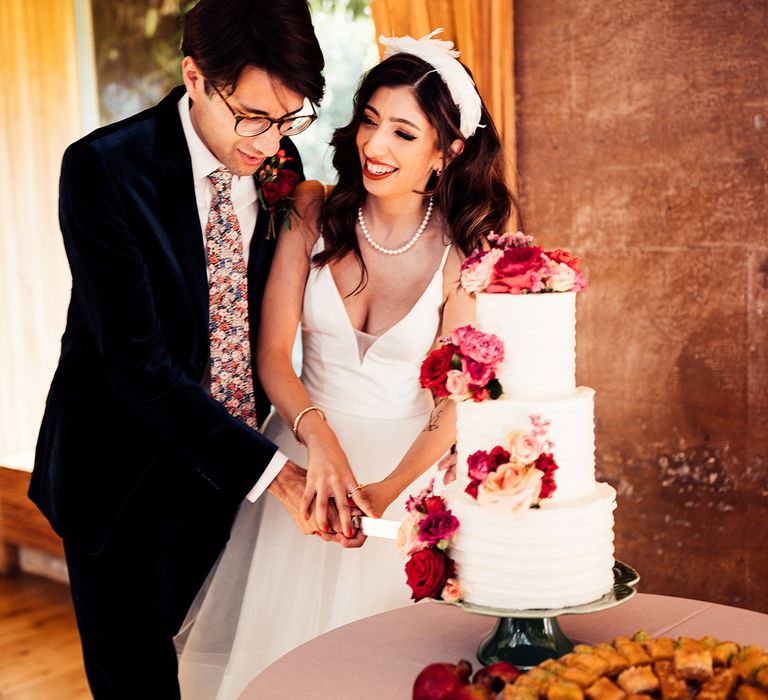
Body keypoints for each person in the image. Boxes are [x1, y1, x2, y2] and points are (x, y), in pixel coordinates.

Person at [27, 2, 359, 698]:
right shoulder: (102, 171)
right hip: (119, 479)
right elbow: (139, 369)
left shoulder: (279, 160)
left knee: (219, 676)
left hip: (227, 481)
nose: (269, 143)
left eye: (288, 118)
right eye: (252, 117)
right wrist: (280, 476)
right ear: (195, 76)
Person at [176, 29, 515, 699]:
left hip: (407, 480)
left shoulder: (466, 256)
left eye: (403, 133)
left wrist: (388, 492)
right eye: (368, 121)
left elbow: (457, 406)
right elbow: (272, 355)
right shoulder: (312, 210)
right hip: (304, 461)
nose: (374, 146)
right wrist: (320, 444)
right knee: (275, 668)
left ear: (447, 154)